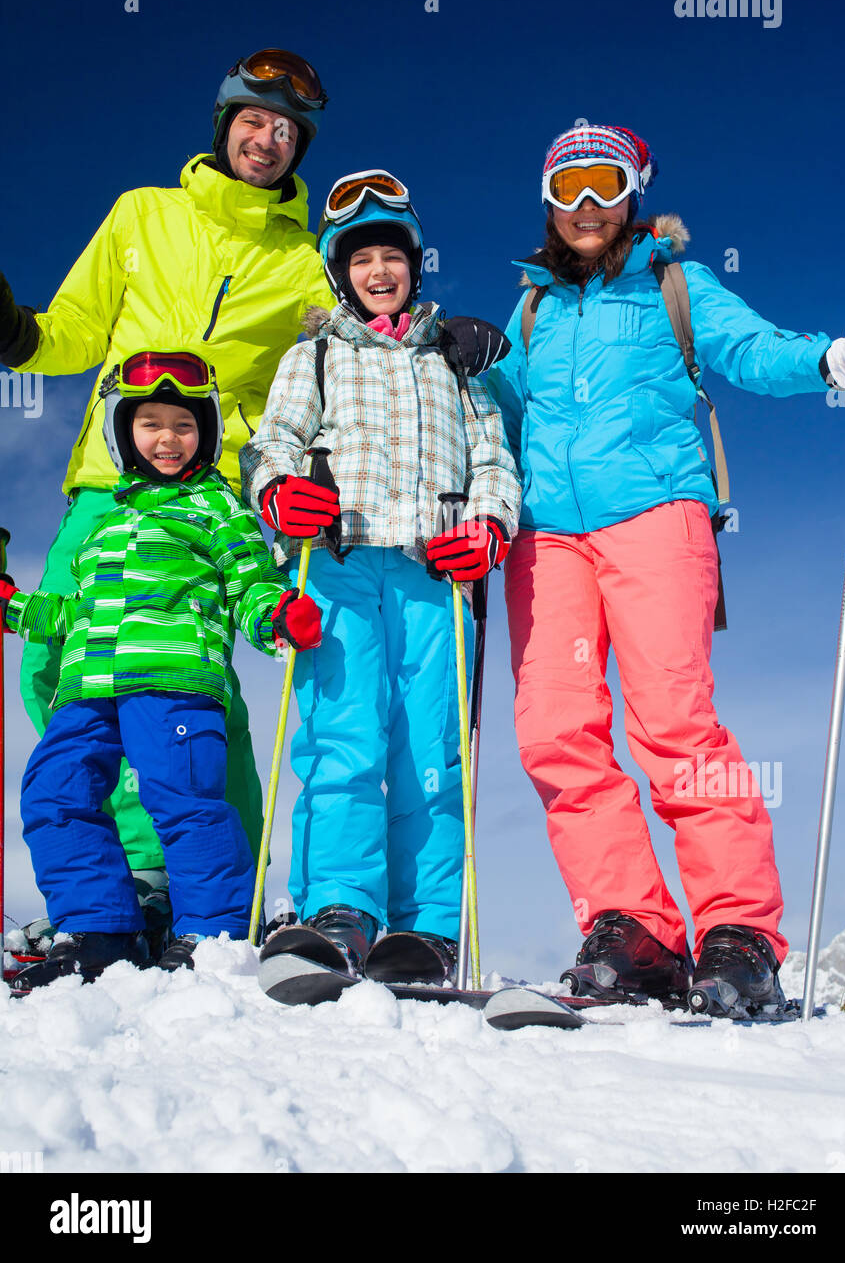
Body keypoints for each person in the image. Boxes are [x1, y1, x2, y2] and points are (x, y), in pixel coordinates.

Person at [485, 123, 845, 1017]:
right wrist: (465, 369)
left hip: (656, 514)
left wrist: (826, 360)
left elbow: (751, 350)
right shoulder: (532, 309)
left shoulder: (673, 284)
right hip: (546, 538)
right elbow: (496, 412)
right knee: (555, 732)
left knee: (674, 722)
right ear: (547, 200)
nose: (584, 205)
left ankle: (738, 935)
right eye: (568, 186)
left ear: (634, 192)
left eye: (603, 184)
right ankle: (635, 927)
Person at [0, 49, 335, 947]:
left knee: (187, 691)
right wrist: (14, 333)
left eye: (287, 130)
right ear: (224, 121)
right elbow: (73, 330)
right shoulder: (143, 214)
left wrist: (303, 471)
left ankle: (201, 894)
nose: (267, 140)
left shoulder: (307, 263)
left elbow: (313, 381)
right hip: (106, 481)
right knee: (67, 672)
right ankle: (111, 891)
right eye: (255, 120)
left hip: (211, 494)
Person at [240, 170, 520, 980]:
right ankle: (339, 908)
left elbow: (494, 460)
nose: (377, 271)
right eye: (359, 258)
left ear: (414, 264)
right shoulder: (314, 356)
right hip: (338, 562)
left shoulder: (454, 359)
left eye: (390, 255)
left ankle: (426, 926)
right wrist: (277, 492)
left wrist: (490, 526)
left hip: (436, 572)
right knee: (344, 737)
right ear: (340, 273)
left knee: (430, 747)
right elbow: (274, 444)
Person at [0, 353, 322, 993]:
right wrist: (14, 607)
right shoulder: (105, 522)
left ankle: (213, 933)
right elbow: (76, 610)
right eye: (150, 424)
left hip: (174, 683)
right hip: (88, 688)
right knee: (53, 793)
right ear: (124, 434)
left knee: (184, 800)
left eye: (184, 424)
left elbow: (248, 586)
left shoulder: (216, 509)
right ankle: (101, 927)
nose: (168, 438)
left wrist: (277, 615)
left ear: (204, 432)